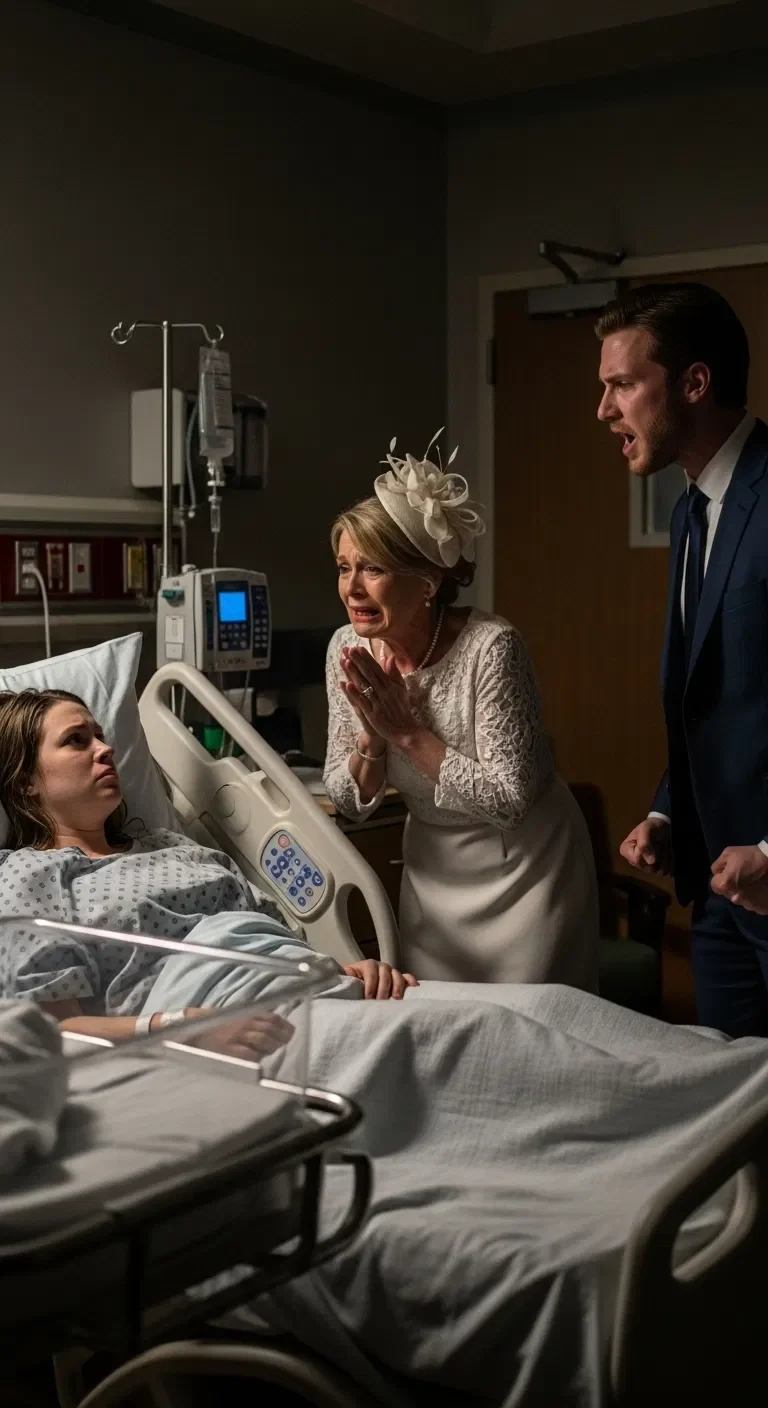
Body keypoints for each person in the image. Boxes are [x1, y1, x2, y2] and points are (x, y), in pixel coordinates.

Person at [324, 432, 599, 985]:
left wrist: (406, 734)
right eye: (343, 566)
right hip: (433, 877)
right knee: (440, 1022)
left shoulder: (491, 648)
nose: (351, 588)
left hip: (525, 871)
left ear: (427, 582)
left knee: (530, 1025)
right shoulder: (346, 650)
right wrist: (372, 738)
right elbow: (348, 801)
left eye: (372, 569)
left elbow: (510, 800)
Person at [0, 688, 417, 1046]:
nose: (104, 749)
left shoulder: (173, 846)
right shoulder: (31, 878)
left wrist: (346, 968)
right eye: (76, 741)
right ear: (25, 781)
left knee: (449, 1017)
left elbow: (271, 944)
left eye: (100, 736)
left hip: (308, 987)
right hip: (238, 1027)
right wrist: (177, 1028)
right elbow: (56, 1031)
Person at [596, 282, 768, 1036]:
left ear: (694, 382)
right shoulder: (690, 511)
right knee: (733, 1100)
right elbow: (712, 696)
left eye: (622, 385)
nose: (604, 410)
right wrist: (669, 809)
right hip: (717, 893)